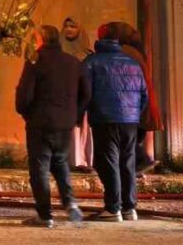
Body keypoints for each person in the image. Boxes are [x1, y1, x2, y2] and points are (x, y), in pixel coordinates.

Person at [16, 25, 91, 228]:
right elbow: (86, 92)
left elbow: (24, 95)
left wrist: (26, 113)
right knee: (60, 162)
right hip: (65, 123)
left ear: (40, 40)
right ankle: (70, 203)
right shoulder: (73, 63)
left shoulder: (35, 62)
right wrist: (74, 114)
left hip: (40, 122)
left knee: (39, 168)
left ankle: (45, 215)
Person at [84, 24, 149, 222]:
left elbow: (84, 91)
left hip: (104, 118)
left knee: (108, 161)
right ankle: (129, 208)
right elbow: (144, 94)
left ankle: (113, 208)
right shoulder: (132, 63)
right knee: (127, 162)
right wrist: (134, 113)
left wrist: (83, 111)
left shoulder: (92, 62)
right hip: (130, 120)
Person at [103, 20, 161, 172]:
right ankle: (136, 167)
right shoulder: (134, 52)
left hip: (131, 106)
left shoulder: (125, 53)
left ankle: (140, 161)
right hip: (137, 105)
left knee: (124, 140)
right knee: (127, 142)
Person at [60, 17, 95, 171]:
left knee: (82, 129)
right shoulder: (58, 52)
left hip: (82, 97)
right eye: (66, 26)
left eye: (73, 26)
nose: (69, 29)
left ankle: (82, 161)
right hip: (64, 97)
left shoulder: (88, 55)